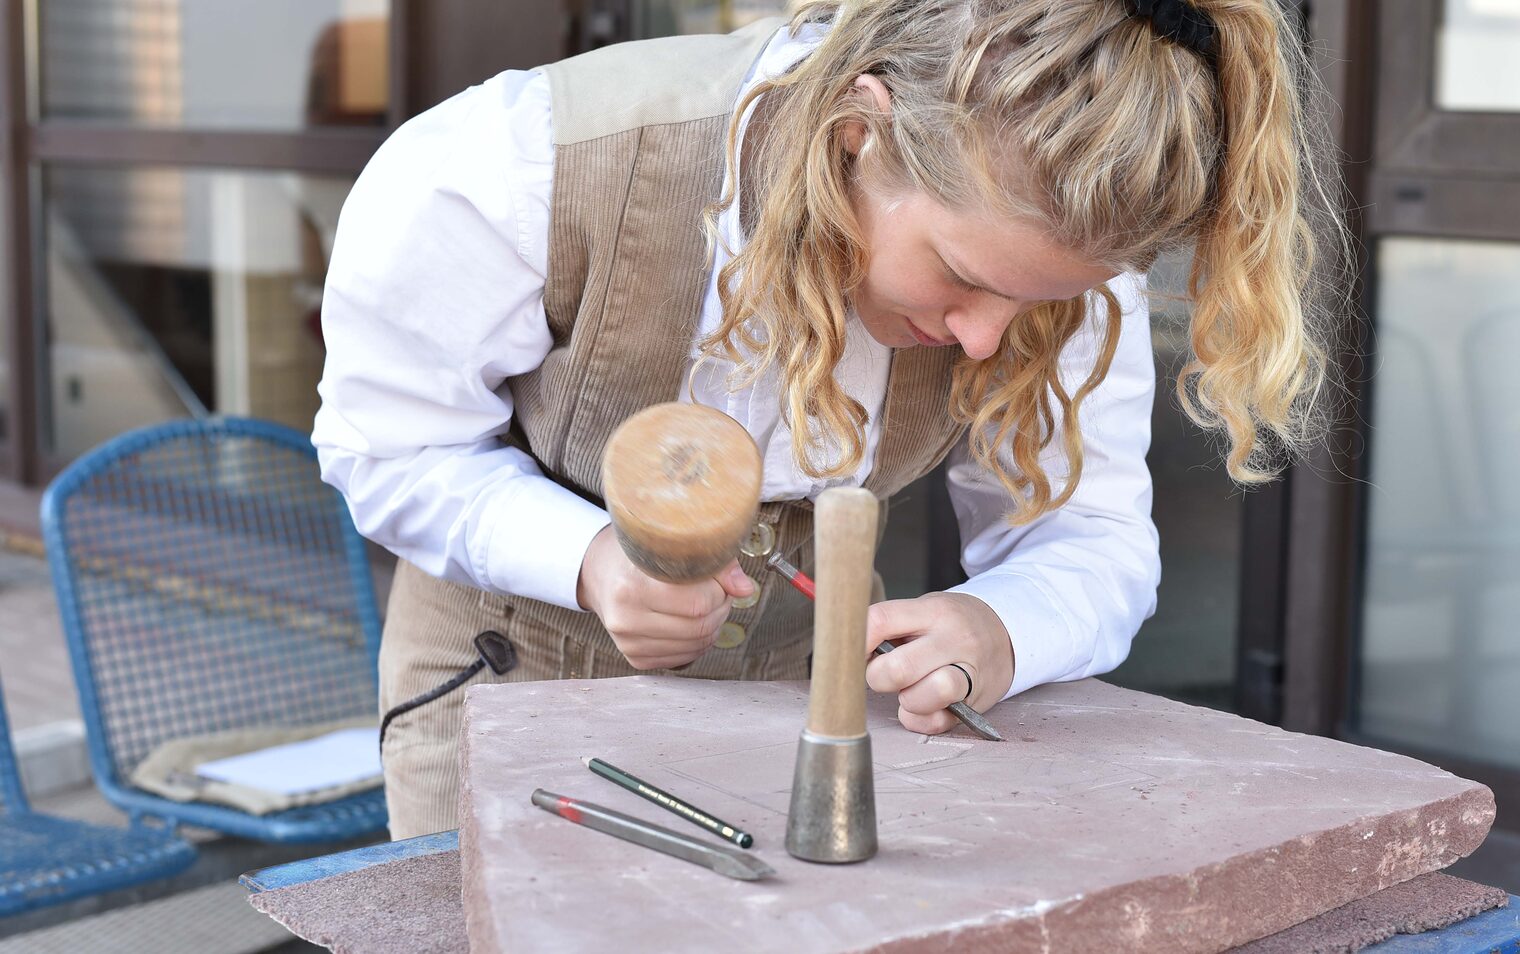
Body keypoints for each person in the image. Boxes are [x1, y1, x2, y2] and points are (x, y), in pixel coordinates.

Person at [313, 0, 1343, 839]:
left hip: (807, 723)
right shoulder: (520, 163)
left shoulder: (1060, 268)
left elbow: (1091, 536)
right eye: (959, 276)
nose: (986, 339)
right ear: (857, 136)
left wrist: (1001, 628)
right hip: (506, 698)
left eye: (1032, 304)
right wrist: (585, 556)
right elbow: (391, 450)